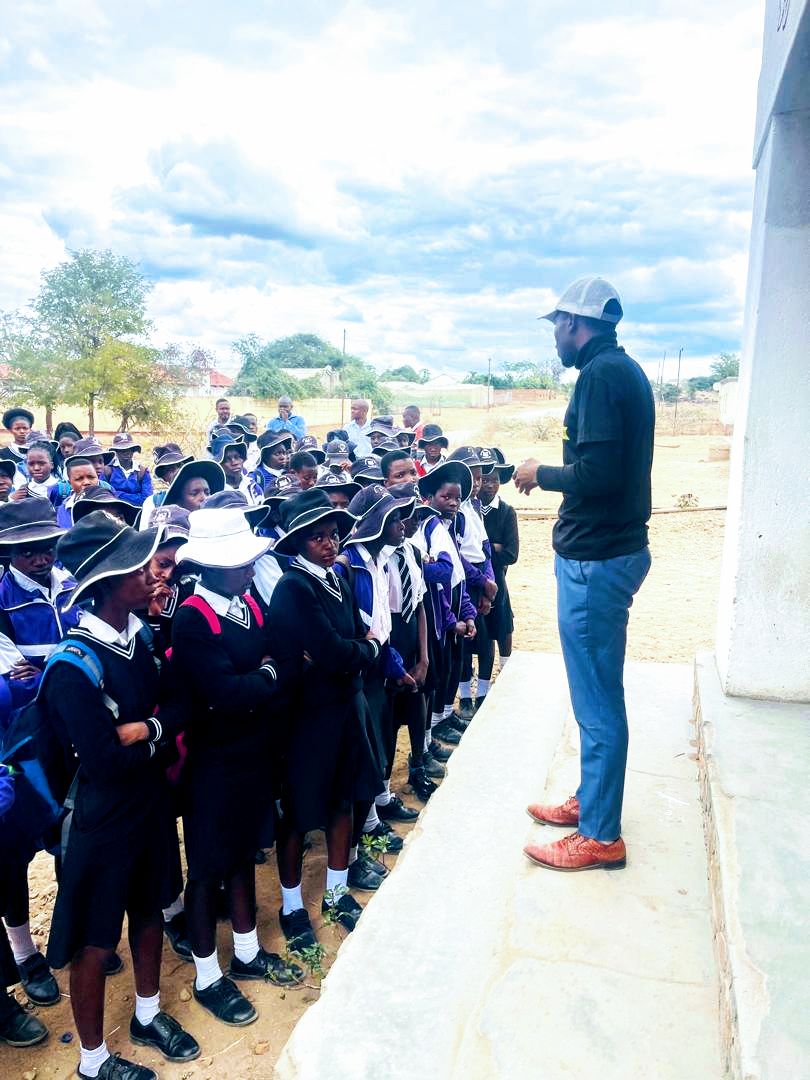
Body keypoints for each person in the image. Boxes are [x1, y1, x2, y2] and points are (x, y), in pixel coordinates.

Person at [44, 512, 199, 1080]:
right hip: (104, 819)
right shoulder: (73, 666)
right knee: (95, 935)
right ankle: (91, 1060)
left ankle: (148, 1012)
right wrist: (158, 732)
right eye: (141, 568)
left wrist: (149, 730)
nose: (157, 575)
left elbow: (180, 706)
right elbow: (103, 763)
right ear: (108, 583)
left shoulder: (141, 637)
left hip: (148, 804)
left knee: (151, 906)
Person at [514, 276, 654, 873]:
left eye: (556, 327)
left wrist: (537, 472)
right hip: (606, 553)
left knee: (597, 701)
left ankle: (600, 835)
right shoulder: (620, 371)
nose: (555, 338)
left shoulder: (600, 377)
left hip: (597, 562)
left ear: (576, 323)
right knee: (595, 693)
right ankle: (591, 801)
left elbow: (597, 476)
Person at [169, 509, 304, 1026]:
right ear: (214, 566)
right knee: (206, 868)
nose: (252, 568)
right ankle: (207, 975)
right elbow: (225, 692)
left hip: (250, 752)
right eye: (242, 562)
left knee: (245, 852)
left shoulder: (247, 602)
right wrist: (266, 677)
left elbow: (275, 663)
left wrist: (261, 680)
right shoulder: (194, 616)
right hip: (212, 762)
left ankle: (246, 951)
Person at [268, 489, 382, 946]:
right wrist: (367, 649)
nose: (329, 544)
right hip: (307, 718)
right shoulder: (295, 586)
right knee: (299, 813)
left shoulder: (339, 577)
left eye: (333, 535)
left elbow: (342, 642)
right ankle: (292, 905)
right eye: (317, 538)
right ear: (297, 543)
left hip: (344, 708)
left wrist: (352, 650)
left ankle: (335, 891)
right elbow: (339, 651)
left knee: (343, 800)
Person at [0, 501, 79, 1012]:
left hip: (71, 734)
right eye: (26, 551)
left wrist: (41, 662)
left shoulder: (69, 582)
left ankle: (72, 931)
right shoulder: (2, 600)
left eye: (46, 547)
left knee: (72, 838)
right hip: (19, 748)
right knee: (13, 856)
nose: (39, 557)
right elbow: (10, 683)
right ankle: (25, 951)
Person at [413, 461, 477, 749]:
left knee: (450, 668)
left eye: (457, 498)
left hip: (452, 616)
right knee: (436, 676)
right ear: (430, 498)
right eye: (446, 497)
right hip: (439, 617)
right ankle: (435, 727)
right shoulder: (429, 527)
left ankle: (444, 717)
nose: (452, 503)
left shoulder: (449, 527)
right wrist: (454, 620)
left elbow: (458, 577)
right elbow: (441, 576)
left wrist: (468, 612)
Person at [445, 447, 497, 724]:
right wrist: (481, 581)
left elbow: (485, 547)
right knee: (466, 645)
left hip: (481, 580)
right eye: (472, 479)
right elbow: (457, 556)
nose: (477, 484)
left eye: (479, 478)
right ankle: (465, 697)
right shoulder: (455, 514)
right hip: (467, 581)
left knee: (486, 641)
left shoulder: (475, 508)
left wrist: (490, 581)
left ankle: (484, 695)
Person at [477, 448, 519, 706]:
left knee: (502, 624)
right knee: (481, 632)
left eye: (495, 480)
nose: (490, 485)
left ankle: (506, 672)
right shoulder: (468, 509)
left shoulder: (506, 512)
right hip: (474, 582)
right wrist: (495, 546)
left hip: (497, 581)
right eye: (485, 479)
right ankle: (479, 685)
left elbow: (512, 553)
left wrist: (483, 549)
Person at [138, 459, 225, 530]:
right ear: (178, 502)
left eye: (207, 492)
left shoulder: (220, 527)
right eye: (194, 493)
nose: (204, 498)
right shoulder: (170, 536)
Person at [138, 444, 193, 527]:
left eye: (180, 466)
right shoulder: (153, 502)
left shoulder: (202, 494)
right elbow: (145, 535)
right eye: (170, 469)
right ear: (164, 477)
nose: (177, 472)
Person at [49, 457, 100, 529]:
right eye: (79, 479)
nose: (86, 482)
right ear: (70, 483)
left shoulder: (112, 505)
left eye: (91, 477)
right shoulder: (60, 512)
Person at [106, 433, 153, 508]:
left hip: (137, 513)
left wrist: (117, 494)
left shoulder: (143, 472)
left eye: (129, 449)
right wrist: (136, 496)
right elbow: (104, 495)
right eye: (122, 450)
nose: (126, 452)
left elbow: (147, 499)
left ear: (133, 450)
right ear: (116, 451)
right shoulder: (107, 471)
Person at [0, 408, 35, 478]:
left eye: (25, 428)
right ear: (10, 430)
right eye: (17, 428)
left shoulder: (41, 450)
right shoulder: (2, 454)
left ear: (30, 429)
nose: (22, 431)